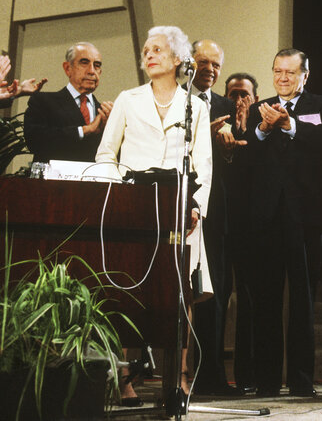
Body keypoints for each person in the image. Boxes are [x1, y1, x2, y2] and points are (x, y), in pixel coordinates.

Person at [95, 25, 213, 401]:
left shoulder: (196, 105)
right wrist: (122, 195)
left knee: (181, 294)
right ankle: (125, 379)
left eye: (159, 49)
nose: (150, 54)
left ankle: (178, 379)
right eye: (147, 49)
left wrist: (196, 208)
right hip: (134, 209)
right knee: (131, 289)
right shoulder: (128, 99)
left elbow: (204, 166)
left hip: (180, 210)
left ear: (179, 60)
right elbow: (104, 156)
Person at [234, 49, 322, 397]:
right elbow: (245, 158)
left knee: (303, 300)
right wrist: (262, 128)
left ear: (305, 76)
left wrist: (289, 125)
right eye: (278, 71)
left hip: (307, 217)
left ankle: (301, 381)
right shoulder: (257, 108)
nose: (283, 78)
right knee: (266, 299)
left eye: (290, 73)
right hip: (265, 218)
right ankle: (266, 381)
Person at [184, 40, 241, 396]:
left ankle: (212, 378)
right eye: (203, 62)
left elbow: (234, 164)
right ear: (189, 62)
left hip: (217, 212)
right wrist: (199, 139)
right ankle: (180, 375)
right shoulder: (173, 99)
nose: (210, 69)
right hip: (181, 205)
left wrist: (230, 151)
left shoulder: (226, 105)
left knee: (215, 292)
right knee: (183, 293)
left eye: (216, 64)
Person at [222, 72, 259, 392]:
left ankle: (248, 375)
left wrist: (247, 126)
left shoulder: (264, 126)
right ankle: (209, 376)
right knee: (216, 298)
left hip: (253, 226)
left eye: (245, 95)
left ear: (256, 99)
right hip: (219, 222)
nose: (238, 102)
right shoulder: (214, 123)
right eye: (233, 95)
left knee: (249, 299)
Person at [24, 43, 111, 163]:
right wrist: (85, 130)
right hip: (53, 180)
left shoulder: (106, 112)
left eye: (96, 65)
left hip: (95, 180)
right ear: (67, 68)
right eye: (84, 63)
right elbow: (34, 141)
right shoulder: (43, 101)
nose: (92, 71)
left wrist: (111, 132)